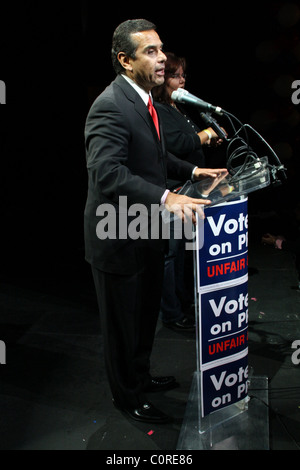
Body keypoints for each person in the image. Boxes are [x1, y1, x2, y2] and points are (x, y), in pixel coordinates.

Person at [84, 19, 227, 424]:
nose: (162, 57)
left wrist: (194, 172)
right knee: (123, 327)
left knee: (145, 317)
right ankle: (126, 396)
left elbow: (156, 157)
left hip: (146, 230)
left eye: (161, 49)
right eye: (151, 51)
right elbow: (107, 174)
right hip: (117, 235)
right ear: (125, 60)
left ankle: (140, 377)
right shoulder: (110, 105)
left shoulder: (146, 101)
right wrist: (167, 195)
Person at [152, 52, 226, 330]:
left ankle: (183, 304)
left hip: (190, 188)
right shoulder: (159, 111)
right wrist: (206, 135)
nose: (182, 80)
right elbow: (178, 144)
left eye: (184, 75)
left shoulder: (179, 109)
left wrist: (209, 140)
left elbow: (190, 142)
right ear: (163, 79)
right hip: (173, 190)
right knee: (170, 255)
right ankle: (171, 313)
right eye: (176, 75)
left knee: (182, 253)